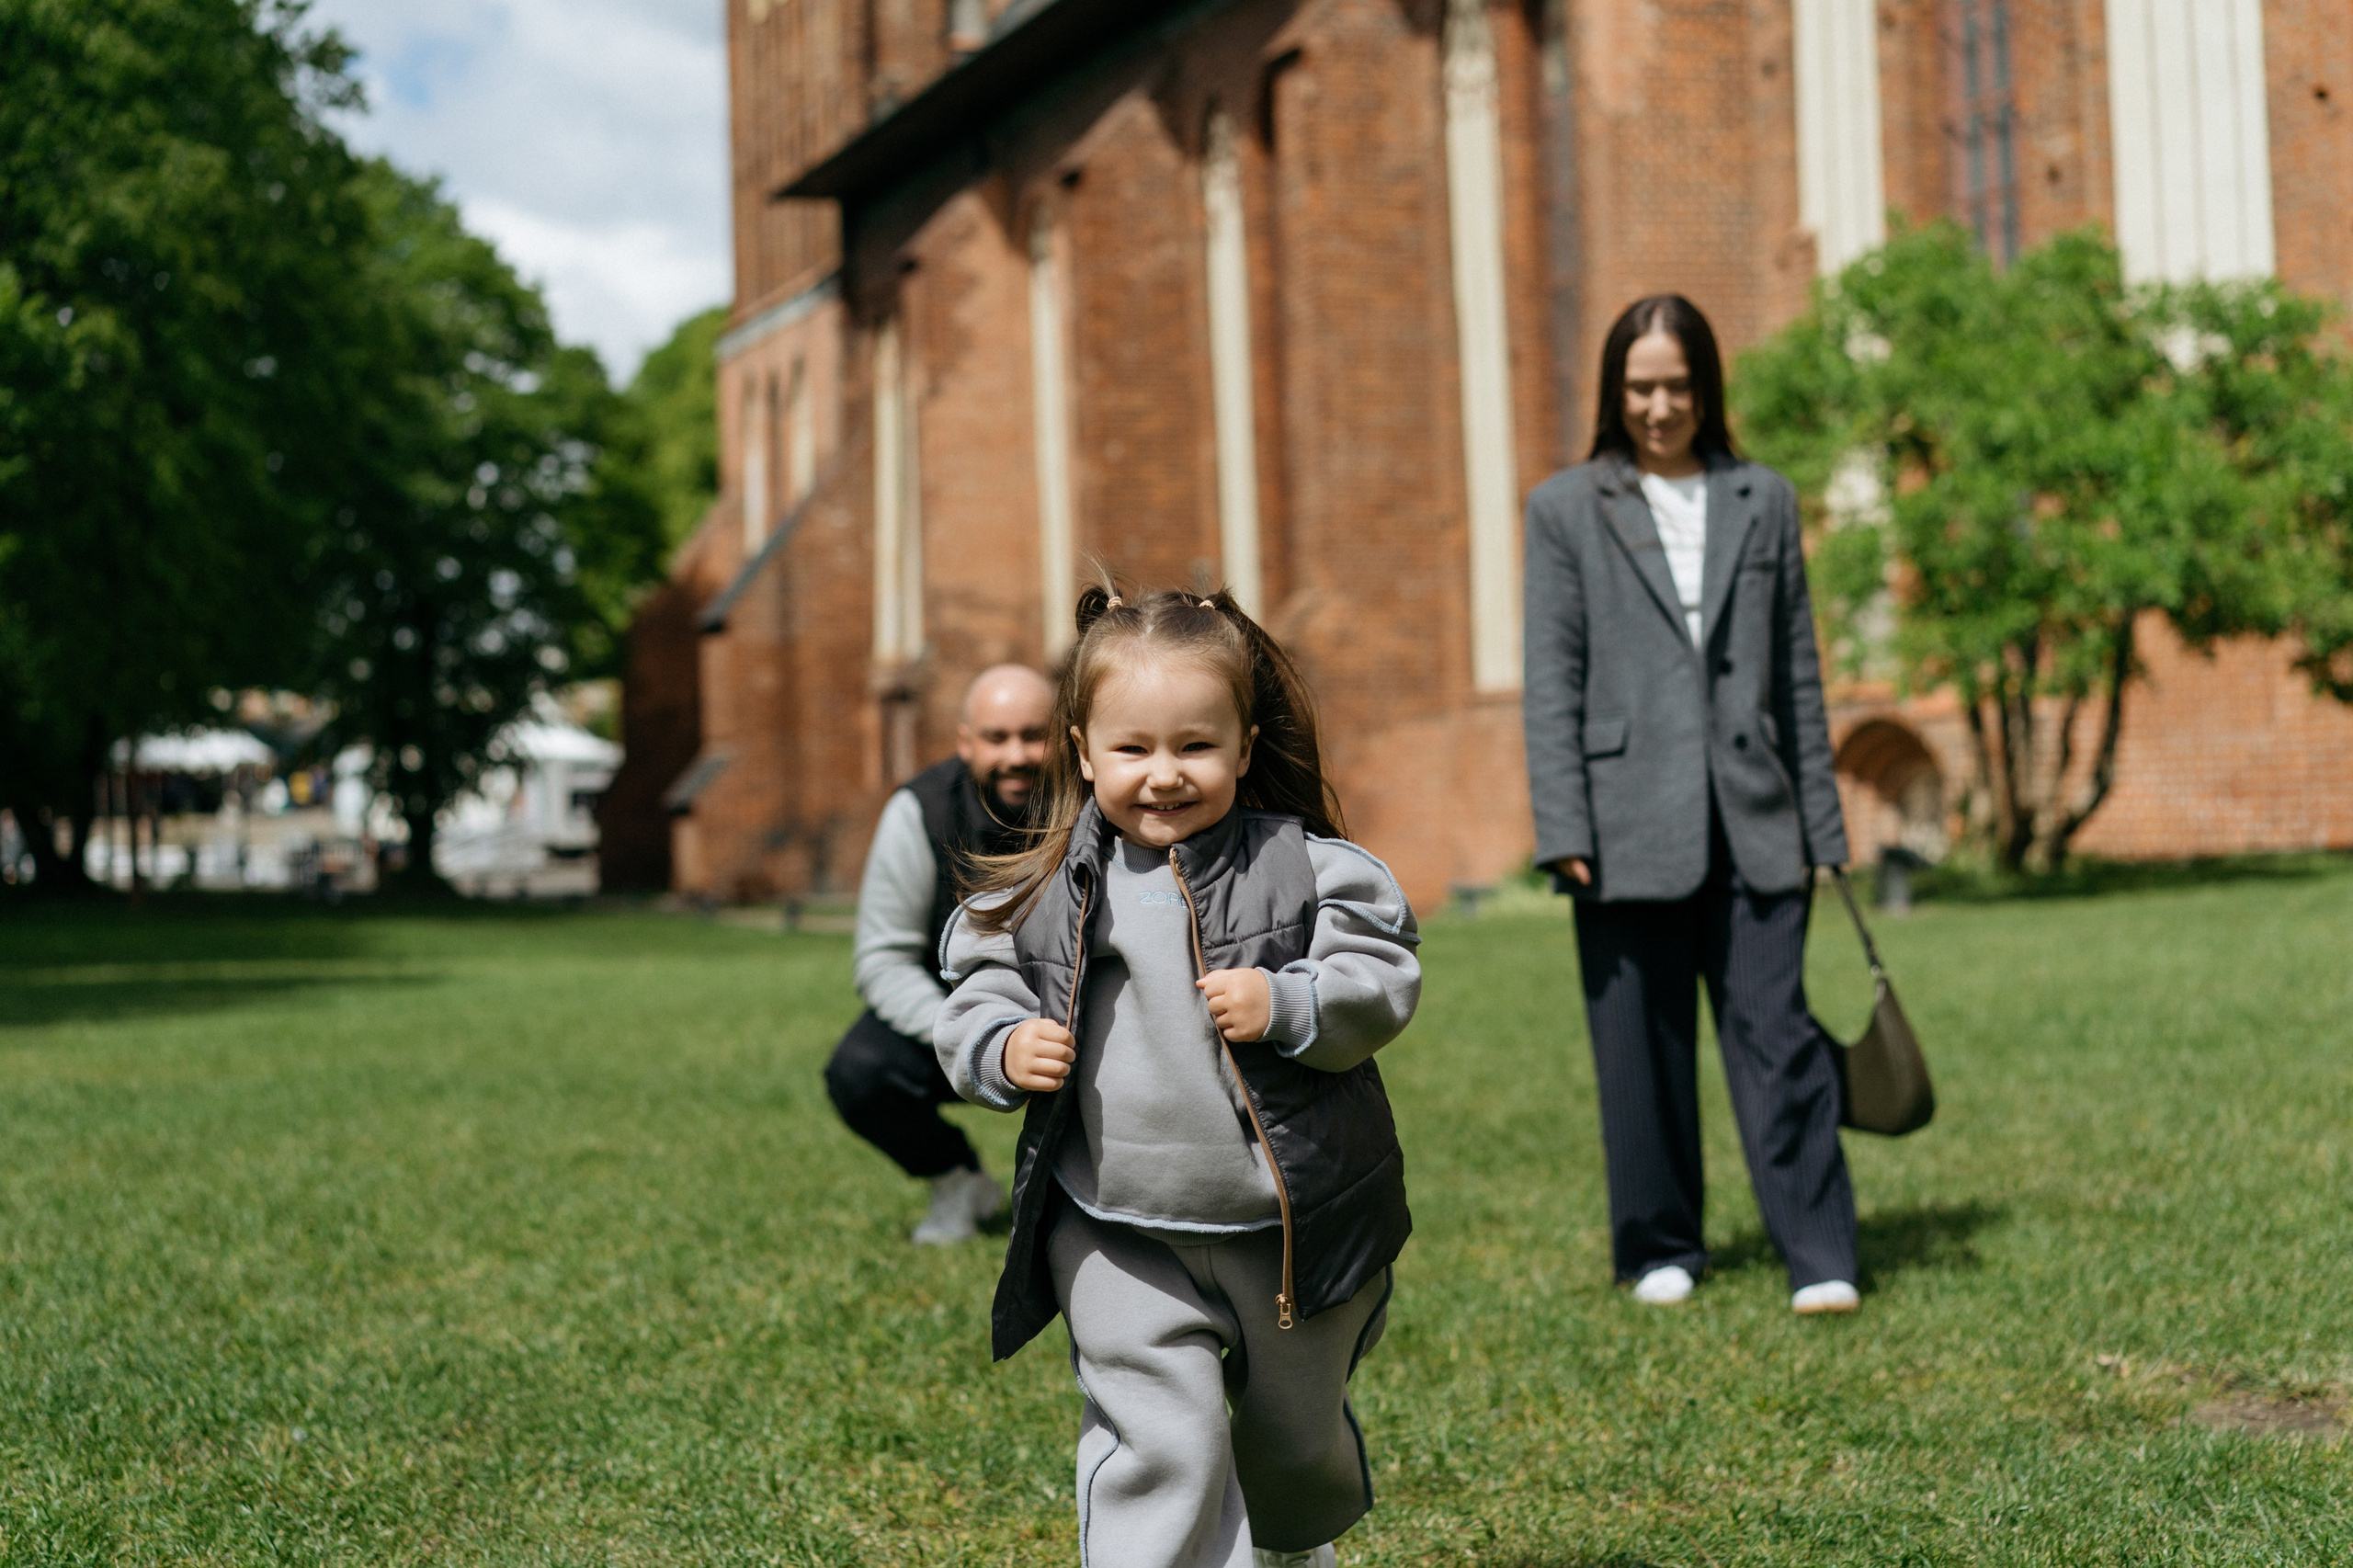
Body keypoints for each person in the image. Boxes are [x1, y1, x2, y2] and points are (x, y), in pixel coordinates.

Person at [935, 587, 1420, 1568]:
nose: (1163, 775)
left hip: (1286, 1227)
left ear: (1243, 745)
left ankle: (1287, 1542)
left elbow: (1382, 982)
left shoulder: (1315, 870)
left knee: (1291, 1444)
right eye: (1133, 748)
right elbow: (972, 995)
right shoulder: (1042, 888)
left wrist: (1291, 1003)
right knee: (1166, 1439)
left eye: (1195, 746)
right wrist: (999, 1047)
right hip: (1116, 1225)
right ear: (1081, 749)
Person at [1520, 294, 1860, 1315]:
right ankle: (1659, 1243)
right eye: (1640, 386)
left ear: (1705, 387)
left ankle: (1820, 1250)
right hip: (1622, 820)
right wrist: (1564, 825)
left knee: (1780, 1039)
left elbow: (1796, 672)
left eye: (1676, 385)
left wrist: (1824, 827)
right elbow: (1553, 677)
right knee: (1640, 1045)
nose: (1659, 405)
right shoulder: (1566, 507)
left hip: (1756, 817)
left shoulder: (1765, 497)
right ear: (1613, 393)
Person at [824, 663, 1053, 1244]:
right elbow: (883, 960)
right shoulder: (919, 810)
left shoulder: (1100, 803)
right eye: (997, 738)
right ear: (965, 741)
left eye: (1035, 735)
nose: (1018, 754)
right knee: (861, 1073)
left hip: (1074, 1023)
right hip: (954, 1019)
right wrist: (971, 1037)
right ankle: (956, 1177)